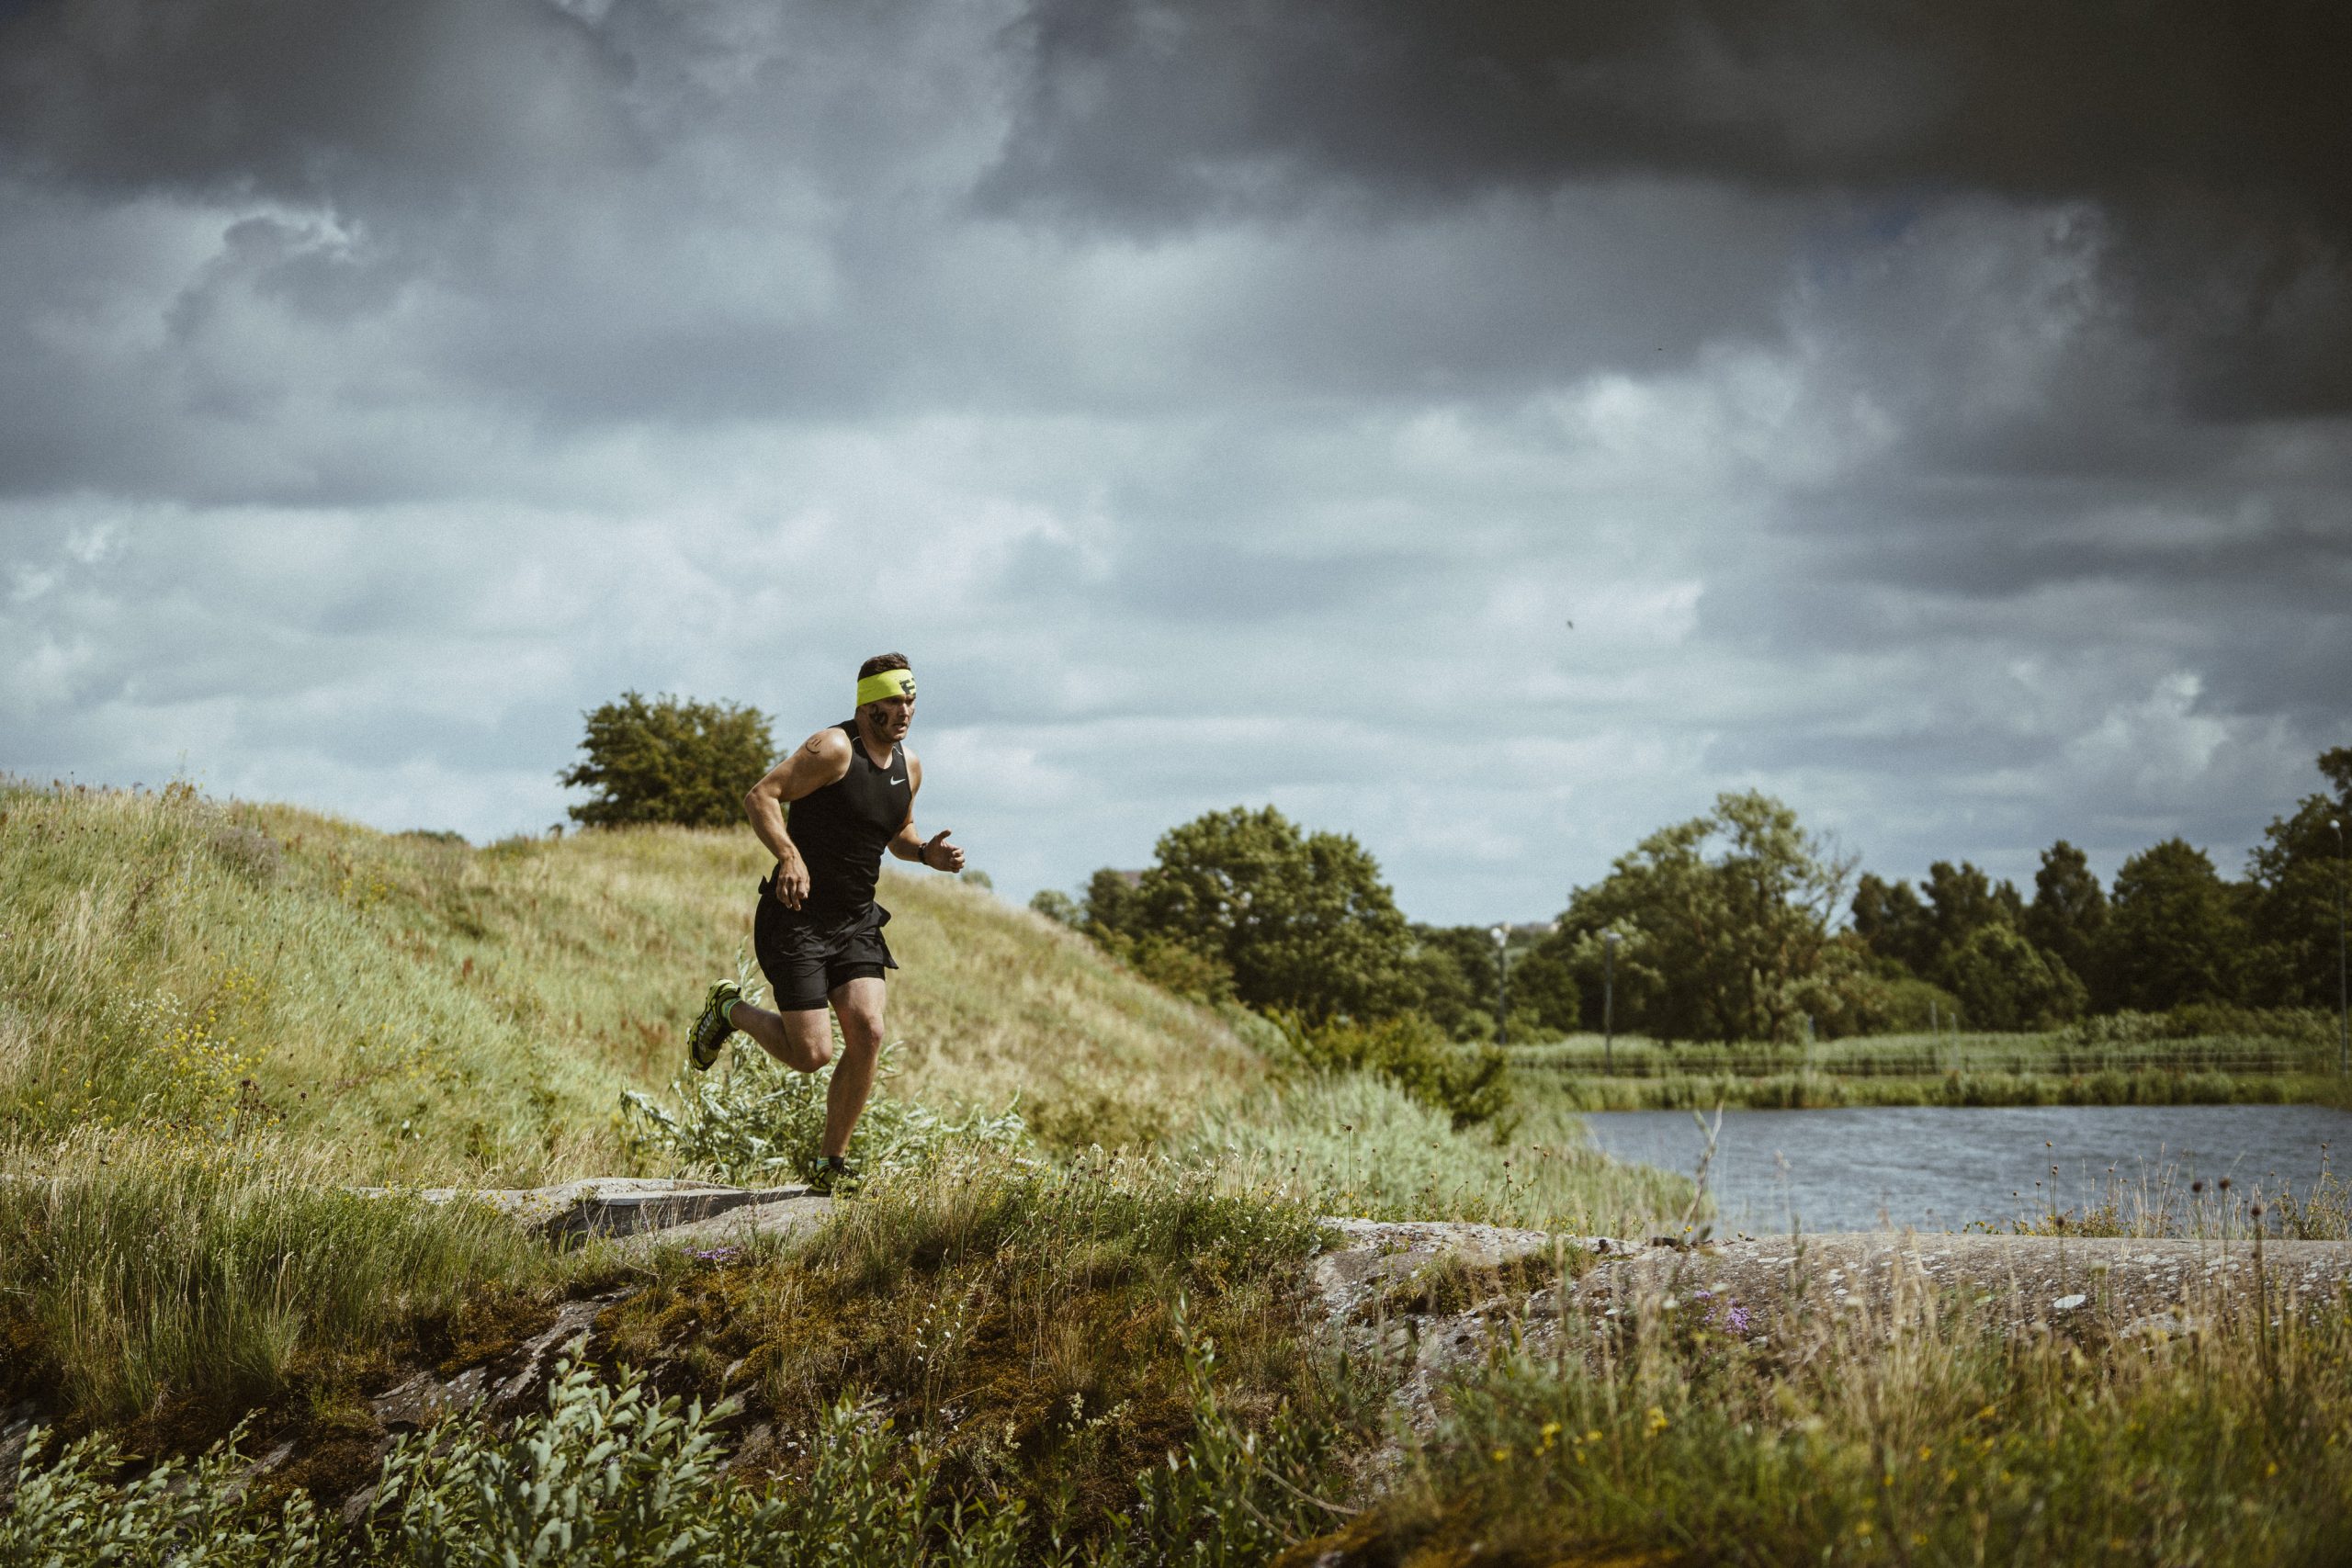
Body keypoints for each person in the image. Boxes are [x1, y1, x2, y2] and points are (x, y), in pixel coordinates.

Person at [685, 653, 964, 1189]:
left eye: (911, 700)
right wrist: (789, 856)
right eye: (894, 701)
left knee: (869, 1031)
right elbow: (761, 796)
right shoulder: (834, 749)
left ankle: (829, 1165)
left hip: (857, 920)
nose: (905, 711)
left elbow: (898, 833)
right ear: (867, 704)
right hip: (798, 919)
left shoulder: (910, 765)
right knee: (812, 1054)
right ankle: (728, 1009)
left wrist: (925, 853)